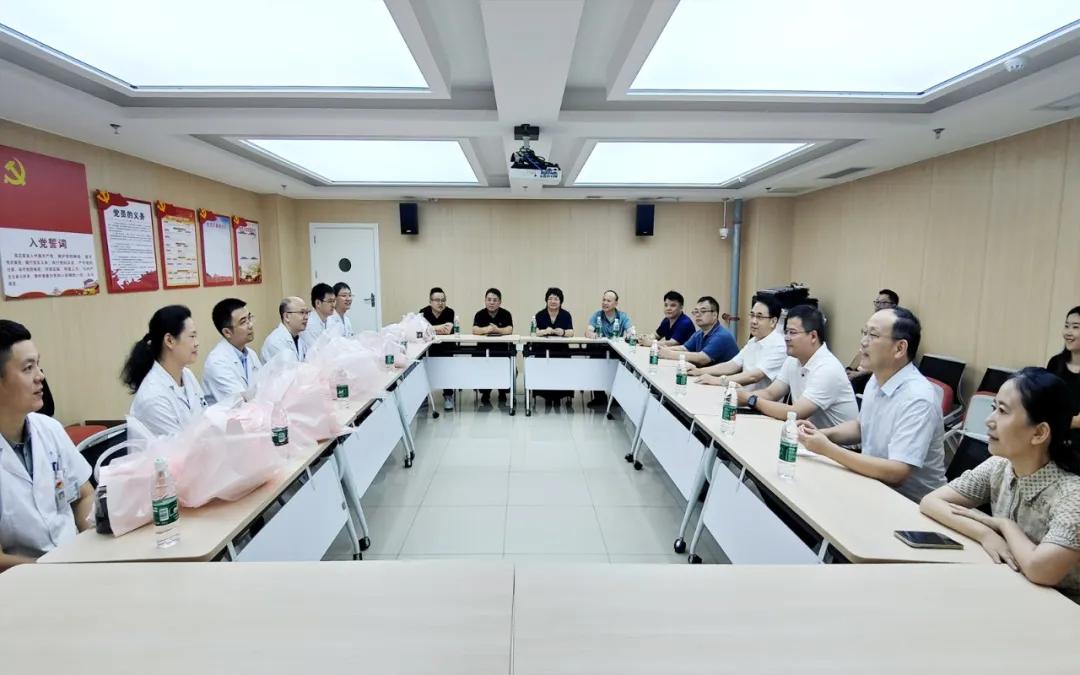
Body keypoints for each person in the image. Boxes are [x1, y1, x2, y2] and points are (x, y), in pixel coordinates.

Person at [920, 368, 1080, 602]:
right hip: (1012, 590)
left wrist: (1006, 526)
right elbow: (931, 502)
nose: (989, 420)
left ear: (1039, 433)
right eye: (994, 407)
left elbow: (1040, 570)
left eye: (1003, 411)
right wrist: (985, 533)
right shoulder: (1000, 466)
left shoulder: (1073, 496)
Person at [796, 307, 946, 502]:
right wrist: (823, 434)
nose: (863, 342)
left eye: (873, 335)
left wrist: (828, 449)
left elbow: (897, 472)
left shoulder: (918, 398)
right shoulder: (876, 379)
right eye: (864, 332)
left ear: (900, 348)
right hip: (872, 486)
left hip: (912, 504)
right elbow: (861, 427)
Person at [0, 320, 94, 570]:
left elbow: (84, 495)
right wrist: (51, 568)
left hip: (74, 563)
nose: (40, 376)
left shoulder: (49, 429)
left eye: (38, 365)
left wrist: (91, 542)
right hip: (21, 582)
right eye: (28, 368)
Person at [736, 304, 858, 430]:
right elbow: (771, 393)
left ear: (813, 336)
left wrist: (751, 399)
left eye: (792, 333)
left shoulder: (827, 368)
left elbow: (796, 412)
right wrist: (739, 395)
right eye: (786, 332)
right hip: (806, 434)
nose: (786, 338)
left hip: (834, 441)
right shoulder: (793, 359)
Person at [122, 305, 207, 437]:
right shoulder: (153, 396)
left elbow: (205, 419)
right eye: (192, 336)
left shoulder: (187, 374)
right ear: (169, 340)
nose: (197, 343)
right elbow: (181, 446)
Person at [690, 294, 787, 392]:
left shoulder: (780, 346)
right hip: (741, 395)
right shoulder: (753, 341)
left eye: (759, 317)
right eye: (752, 315)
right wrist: (699, 371)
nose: (753, 321)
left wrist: (718, 380)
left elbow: (754, 376)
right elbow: (733, 365)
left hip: (758, 400)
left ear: (773, 321)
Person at [203, 298, 262, 404]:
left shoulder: (251, 354)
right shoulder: (217, 362)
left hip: (256, 411)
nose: (250, 325)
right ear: (227, 332)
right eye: (243, 322)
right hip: (232, 414)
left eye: (249, 318)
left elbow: (264, 389)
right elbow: (238, 403)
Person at [660, 296, 738, 367]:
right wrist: (662, 349)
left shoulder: (721, 336)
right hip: (707, 375)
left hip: (726, 377)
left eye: (703, 311)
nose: (697, 315)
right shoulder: (699, 333)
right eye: (696, 311)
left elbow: (702, 358)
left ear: (714, 315)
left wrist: (669, 354)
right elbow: (684, 348)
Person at [533, 287, 575, 408]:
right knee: (543, 368)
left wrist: (562, 332)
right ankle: (545, 395)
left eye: (556, 299)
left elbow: (571, 332)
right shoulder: (540, 315)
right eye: (550, 298)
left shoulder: (566, 315)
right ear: (546, 300)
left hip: (561, 350)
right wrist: (544, 331)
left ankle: (560, 396)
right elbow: (534, 332)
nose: (553, 301)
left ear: (560, 301)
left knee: (562, 369)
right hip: (542, 350)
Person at [472, 288, 513, 406]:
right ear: (485, 301)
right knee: (483, 368)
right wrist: (487, 329)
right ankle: (485, 392)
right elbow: (475, 330)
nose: (491, 303)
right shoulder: (480, 314)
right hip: (483, 351)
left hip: (501, 352)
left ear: (500, 302)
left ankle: (502, 391)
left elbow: (509, 329)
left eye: (495, 300)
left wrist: (497, 330)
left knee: (508, 369)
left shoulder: (506, 314)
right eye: (489, 300)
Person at [847, 289, 898, 381]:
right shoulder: (872, 324)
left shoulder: (893, 329)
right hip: (859, 372)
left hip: (872, 376)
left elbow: (886, 362)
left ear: (893, 306)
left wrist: (858, 374)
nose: (878, 305)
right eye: (877, 302)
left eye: (883, 303)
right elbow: (861, 352)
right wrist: (849, 369)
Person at [1046, 305, 1080, 440]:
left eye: (1076, 327)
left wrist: (1053, 421)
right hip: (1053, 440)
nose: (1068, 332)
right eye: (1067, 326)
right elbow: (1045, 404)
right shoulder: (1055, 363)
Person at [420, 287, 456, 410]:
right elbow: (422, 331)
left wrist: (431, 329)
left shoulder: (449, 312)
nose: (440, 303)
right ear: (430, 301)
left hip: (446, 348)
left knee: (447, 366)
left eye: (443, 300)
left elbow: (448, 330)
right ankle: (423, 396)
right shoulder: (423, 312)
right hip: (428, 348)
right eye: (437, 300)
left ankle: (448, 395)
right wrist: (438, 328)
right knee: (420, 365)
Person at [261, 297, 309, 364]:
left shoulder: (300, 338)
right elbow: (289, 369)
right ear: (286, 316)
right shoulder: (275, 342)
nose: (306, 317)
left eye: (307, 313)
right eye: (302, 312)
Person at [301, 283, 338, 351]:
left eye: (334, 301)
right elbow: (315, 352)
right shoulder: (308, 325)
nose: (333, 305)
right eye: (330, 301)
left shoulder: (331, 320)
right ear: (318, 303)